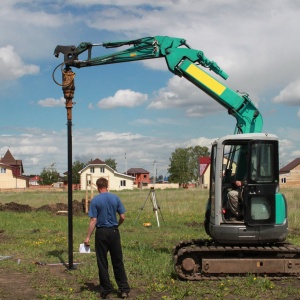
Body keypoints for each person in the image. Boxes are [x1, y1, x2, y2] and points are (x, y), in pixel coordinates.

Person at [84, 177, 130, 299]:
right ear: (107, 185)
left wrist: (88, 237)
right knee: (117, 261)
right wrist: (117, 225)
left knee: (102, 262)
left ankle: (106, 290)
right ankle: (123, 289)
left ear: (98, 187)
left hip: (101, 233)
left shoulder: (95, 201)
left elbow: (94, 220)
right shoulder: (115, 198)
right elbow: (123, 216)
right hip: (114, 232)